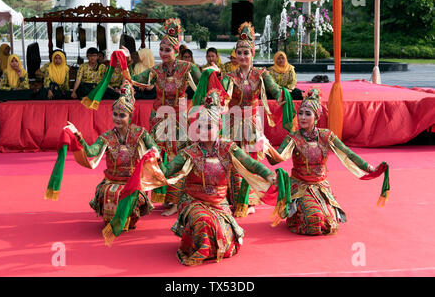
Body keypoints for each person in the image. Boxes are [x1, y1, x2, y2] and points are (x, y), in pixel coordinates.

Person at [102, 86, 277, 266]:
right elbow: (166, 172)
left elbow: (251, 164)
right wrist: (154, 159)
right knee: (203, 221)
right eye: (199, 126)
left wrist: (269, 175)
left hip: (219, 204)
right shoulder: (190, 152)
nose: (202, 130)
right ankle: (197, 247)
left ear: (218, 127)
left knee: (223, 235)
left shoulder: (228, 148)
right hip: (193, 202)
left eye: (208, 126)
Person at [264, 88, 389, 235]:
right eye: (301, 113)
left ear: (316, 117)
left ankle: (304, 213)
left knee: (330, 224)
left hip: (321, 187)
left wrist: (370, 169)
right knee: (314, 221)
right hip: (300, 186)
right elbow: (274, 160)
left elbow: (347, 153)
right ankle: (296, 216)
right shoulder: (294, 137)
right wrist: (264, 145)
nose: (302, 117)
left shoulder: (326, 135)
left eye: (307, 114)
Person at [46, 83, 160, 231]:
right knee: (110, 191)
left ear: (130, 116)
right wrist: (78, 137)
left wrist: (153, 153)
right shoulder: (107, 136)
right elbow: (91, 151)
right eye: (115, 114)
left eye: (122, 115)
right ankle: (114, 221)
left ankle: (129, 219)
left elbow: (155, 149)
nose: (117, 118)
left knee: (129, 193)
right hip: (112, 180)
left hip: (133, 181)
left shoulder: (140, 133)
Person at [130, 18, 201, 216]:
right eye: (161, 49)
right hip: (159, 120)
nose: (163, 53)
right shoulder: (156, 71)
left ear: (176, 51)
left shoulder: (187, 68)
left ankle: (177, 200)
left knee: (177, 158)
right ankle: (165, 197)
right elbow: (134, 80)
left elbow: (205, 82)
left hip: (179, 120)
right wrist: (123, 68)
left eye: (167, 49)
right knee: (159, 157)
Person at [219, 22, 285, 215]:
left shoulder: (261, 74)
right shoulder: (229, 75)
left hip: (251, 123)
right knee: (232, 159)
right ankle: (232, 198)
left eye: (246, 53)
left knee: (250, 159)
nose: (242, 56)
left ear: (252, 54)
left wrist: (286, 97)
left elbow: (275, 91)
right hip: (231, 123)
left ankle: (245, 201)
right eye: (239, 53)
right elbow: (222, 93)